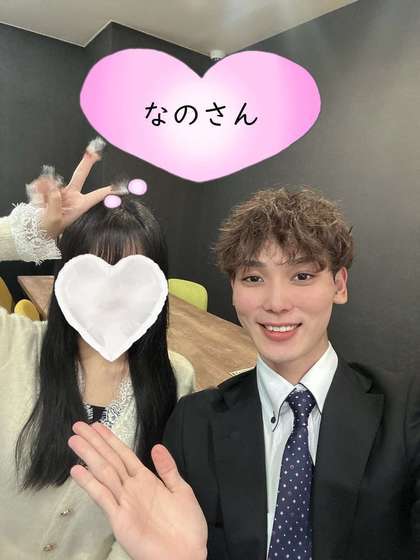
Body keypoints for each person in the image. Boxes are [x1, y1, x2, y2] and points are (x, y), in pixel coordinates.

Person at [69, 187, 420, 560]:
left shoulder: (406, 411)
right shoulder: (194, 423)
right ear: (233, 290)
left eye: (302, 275)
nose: (276, 303)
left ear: (339, 285)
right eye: (254, 278)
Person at [0, 141, 195, 559]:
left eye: (132, 280)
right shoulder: (11, 345)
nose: (111, 297)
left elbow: (154, 509)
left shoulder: (176, 377)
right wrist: (29, 234)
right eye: (92, 274)